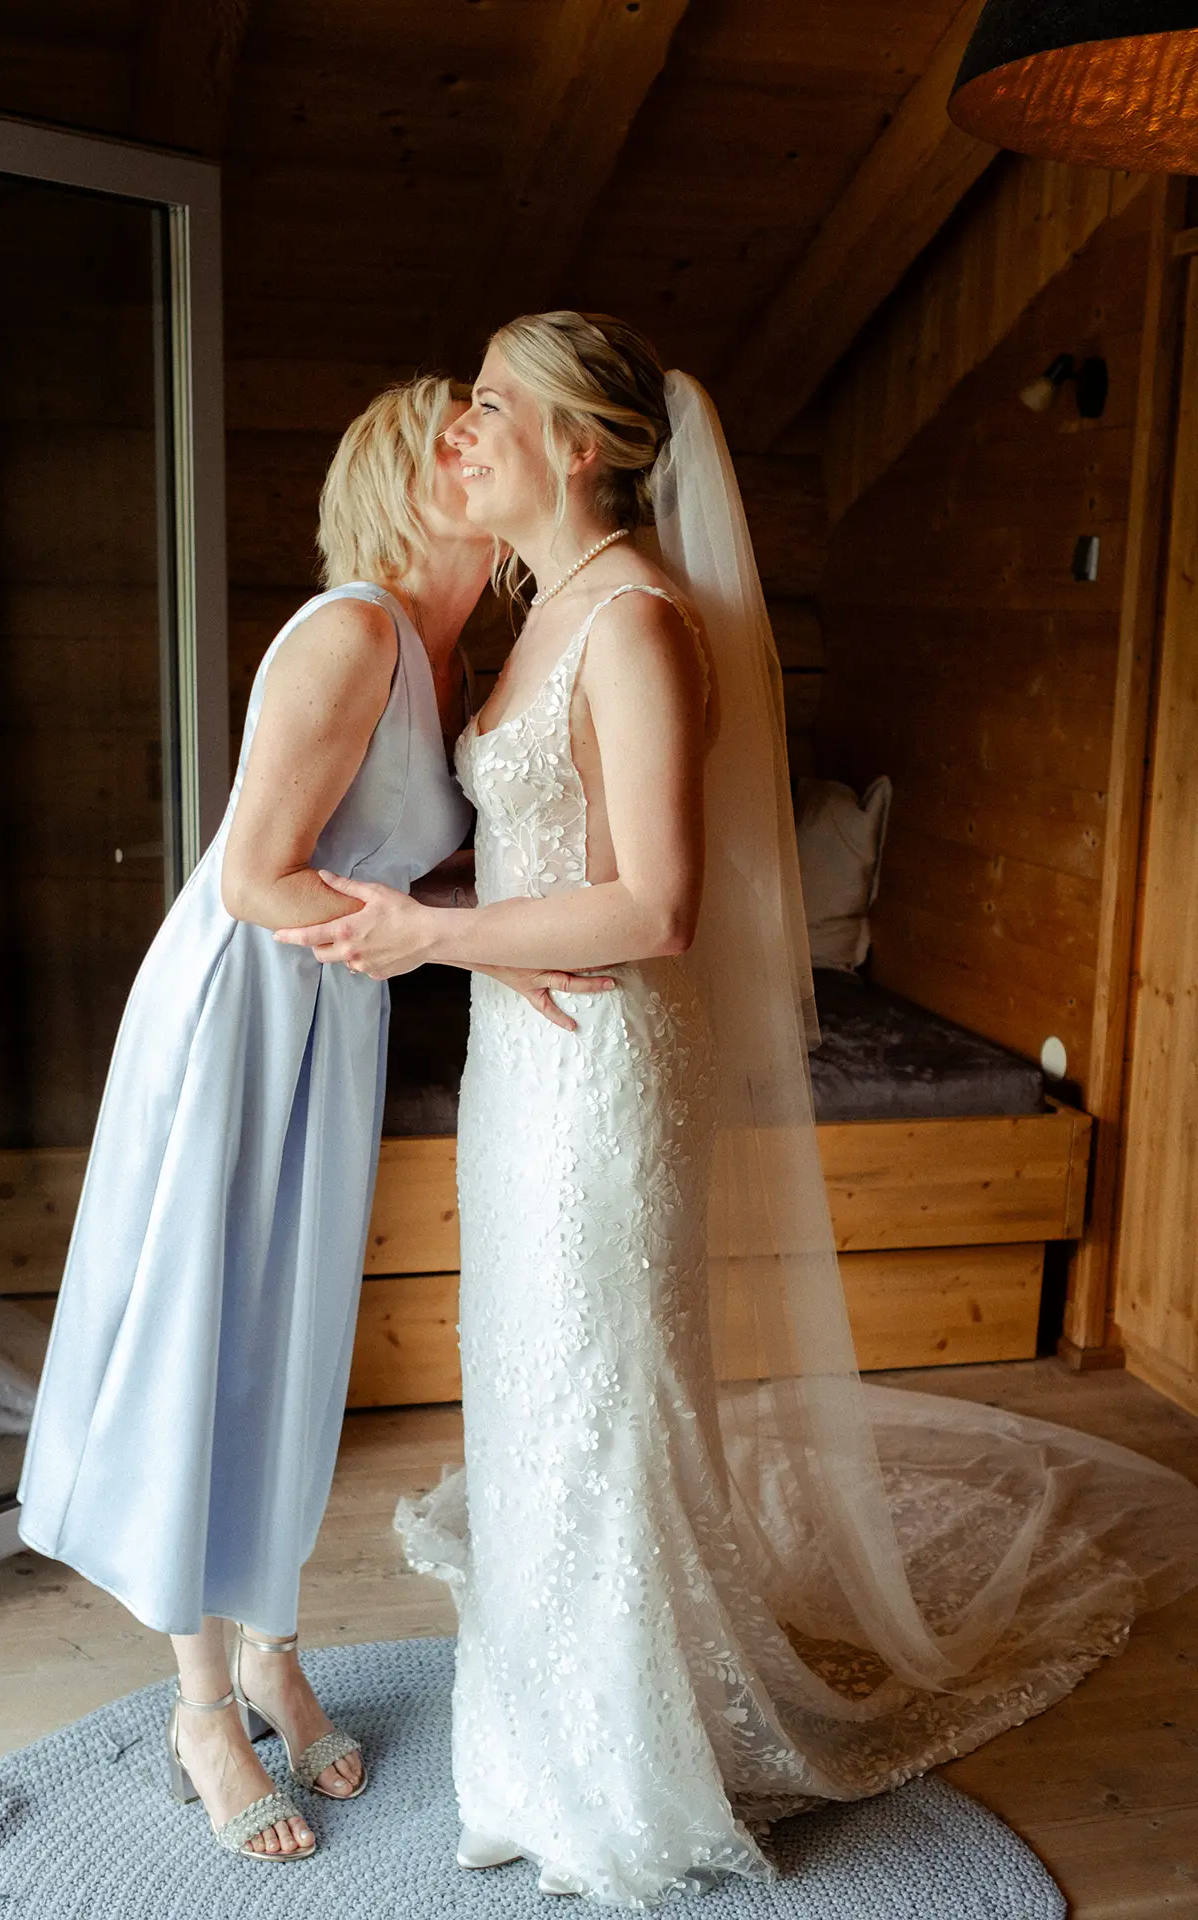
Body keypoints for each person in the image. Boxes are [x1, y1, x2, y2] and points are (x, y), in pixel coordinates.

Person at [278, 315, 1198, 1906]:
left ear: (580, 445)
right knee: (534, 1401)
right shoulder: (539, 613)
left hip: (606, 1080)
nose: (464, 432)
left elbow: (657, 906)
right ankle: (538, 1743)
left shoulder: (638, 622)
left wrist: (434, 939)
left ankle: (623, 1780)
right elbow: (535, 859)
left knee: (603, 1406)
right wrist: (441, 902)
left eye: (494, 404)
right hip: (525, 1073)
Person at [17, 373, 610, 1865]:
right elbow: (255, 880)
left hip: (329, 1027)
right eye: (456, 443)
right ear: (414, 478)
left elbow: (404, 870)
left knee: (289, 1348)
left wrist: (499, 929)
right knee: (207, 1345)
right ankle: (201, 1704)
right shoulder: (350, 631)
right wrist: (434, 934)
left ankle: (274, 1645)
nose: (480, 459)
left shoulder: (448, 656)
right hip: (241, 1018)